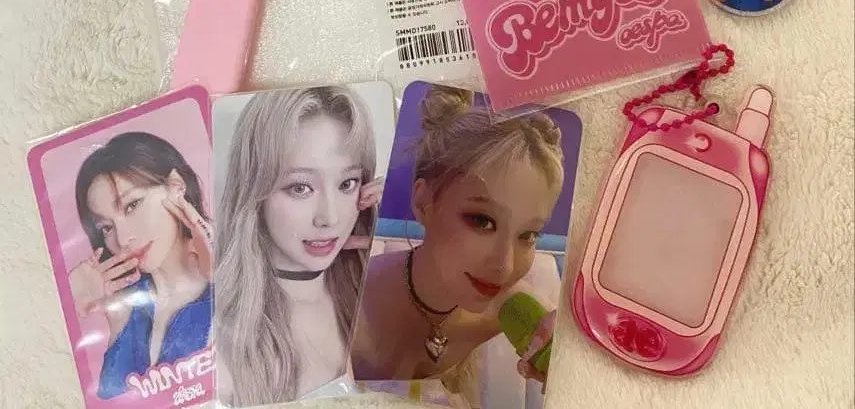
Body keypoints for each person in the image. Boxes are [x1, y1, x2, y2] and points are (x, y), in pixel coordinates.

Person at [351, 86, 564, 407]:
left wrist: (569, 351)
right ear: (423, 201)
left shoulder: (506, 304)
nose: (505, 266)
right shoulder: (349, 303)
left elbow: (560, 339)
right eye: (482, 221)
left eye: (528, 234)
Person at [214, 86, 382, 408]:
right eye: (300, 188)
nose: (330, 218)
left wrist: (412, 246)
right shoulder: (218, 338)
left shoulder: (374, 293)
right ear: (254, 191)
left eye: (347, 184)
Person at [70, 132, 212, 399]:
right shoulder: (127, 309)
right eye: (107, 227)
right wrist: (71, 309)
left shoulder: (238, 273)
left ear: (176, 186)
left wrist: (229, 279)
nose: (122, 239)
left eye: (132, 205)